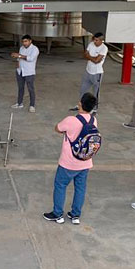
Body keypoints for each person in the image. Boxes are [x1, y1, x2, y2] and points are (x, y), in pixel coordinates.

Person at [43, 93, 98, 225]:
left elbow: (57, 128)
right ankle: (75, 215)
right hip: (85, 162)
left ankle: (57, 214)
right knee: (80, 188)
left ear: (80, 104)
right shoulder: (93, 120)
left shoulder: (71, 120)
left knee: (60, 186)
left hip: (68, 162)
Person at [72, 32, 107, 111]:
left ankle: (94, 108)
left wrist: (89, 57)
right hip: (88, 71)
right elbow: (85, 55)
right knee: (83, 90)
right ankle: (80, 105)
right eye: (94, 40)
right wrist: (92, 57)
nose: (94, 42)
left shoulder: (104, 48)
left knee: (95, 92)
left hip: (97, 73)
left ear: (101, 40)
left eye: (97, 40)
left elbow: (96, 61)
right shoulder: (91, 44)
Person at [11, 34, 40, 113]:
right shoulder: (21, 48)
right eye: (23, 41)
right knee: (20, 88)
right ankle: (19, 103)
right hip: (20, 71)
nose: (24, 43)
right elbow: (18, 59)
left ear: (30, 41)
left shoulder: (35, 49)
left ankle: (32, 105)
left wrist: (19, 55)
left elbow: (30, 58)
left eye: (26, 41)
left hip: (29, 72)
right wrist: (17, 65)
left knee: (31, 89)